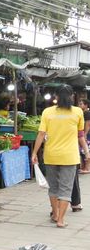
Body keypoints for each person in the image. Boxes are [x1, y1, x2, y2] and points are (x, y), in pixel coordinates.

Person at [31, 86, 89, 228]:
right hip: (70, 156)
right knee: (65, 188)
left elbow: (41, 134)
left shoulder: (47, 112)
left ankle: (55, 214)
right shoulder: (77, 112)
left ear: (56, 96)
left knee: (53, 188)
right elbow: (80, 135)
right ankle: (61, 220)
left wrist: (34, 153)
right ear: (72, 96)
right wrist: (87, 152)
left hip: (51, 155)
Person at [78, 99, 90, 174]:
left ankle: (87, 167)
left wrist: (85, 134)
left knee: (86, 150)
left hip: (87, 134)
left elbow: (88, 124)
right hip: (84, 134)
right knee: (82, 150)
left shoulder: (87, 113)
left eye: (81, 104)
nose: (79, 105)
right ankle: (84, 167)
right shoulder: (83, 113)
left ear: (86, 105)